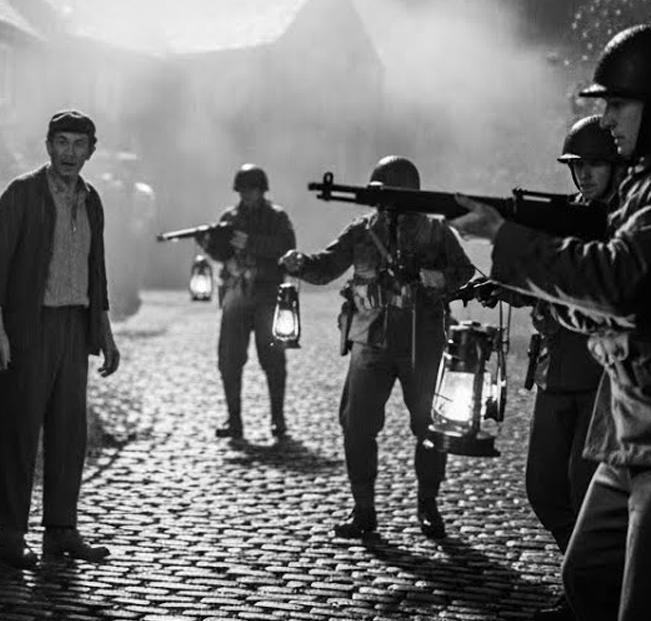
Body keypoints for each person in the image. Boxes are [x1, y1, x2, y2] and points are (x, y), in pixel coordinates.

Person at [452, 24, 651, 621]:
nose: (606, 120)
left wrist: (510, 241)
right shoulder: (643, 183)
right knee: (587, 576)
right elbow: (599, 305)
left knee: (647, 620)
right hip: (634, 423)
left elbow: (620, 281)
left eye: (619, 106)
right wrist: (531, 275)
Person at [281, 156, 474, 540]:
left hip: (421, 340)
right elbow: (326, 266)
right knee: (356, 425)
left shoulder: (436, 233)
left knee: (430, 427)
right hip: (370, 339)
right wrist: (300, 263)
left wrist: (431, 278)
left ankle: (428, 504)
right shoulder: (362, 231)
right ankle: (363, 508)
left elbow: (464, 273)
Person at [0, 110, 120, 569]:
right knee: (18, 430)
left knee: (69, 434)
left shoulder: (92, 200)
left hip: (75, 329)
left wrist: (105, 332)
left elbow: (96, 270)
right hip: (28, 326)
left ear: (91, 151)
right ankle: (9, 536)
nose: (69, 153)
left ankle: (61, 529)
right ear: (48, 146)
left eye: (78, 145)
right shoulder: (22, 194)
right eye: (61, 142)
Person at [524, 116, 625, 621]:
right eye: (577, 165)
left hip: (601, 376)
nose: (584, 173)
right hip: (556, 370)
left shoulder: (628, 223)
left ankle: (587, 594)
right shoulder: (567, 216)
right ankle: (585, 582)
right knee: (543, 488)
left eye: (595, 164)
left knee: (585, 492)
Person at [197, 163, 296, 442]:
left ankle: (278, 418)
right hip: (237, 293)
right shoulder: (229, 217)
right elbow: (221, 253)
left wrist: (249, 242)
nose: (247, 194)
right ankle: (234, 419)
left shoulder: (277, 217)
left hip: (267, 293)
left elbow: (285, 248)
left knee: (273, 358)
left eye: (252, 189)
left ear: (261, 190)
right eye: (243, 190)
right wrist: (208, 243)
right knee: (229, 359)